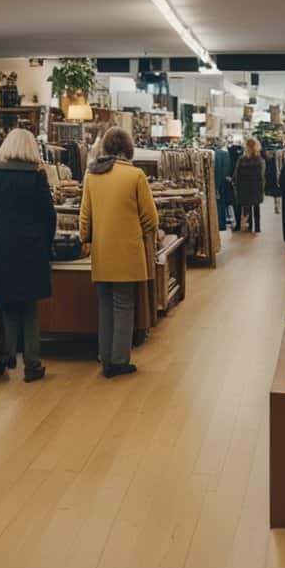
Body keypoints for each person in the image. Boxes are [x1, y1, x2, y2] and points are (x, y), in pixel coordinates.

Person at [0, 128, 56, 382]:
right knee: (29, 306)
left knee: (6, 303)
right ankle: (32, 364)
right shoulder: (37, 177)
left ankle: (6, 356)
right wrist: (47, 243)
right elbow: (48, 216)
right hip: (31, 246)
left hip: (1, 244)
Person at [79, 127, 158, 379]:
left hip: (102, 252)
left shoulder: (92, 176)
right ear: (128, 148)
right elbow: (150, 218)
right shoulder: (135, 175)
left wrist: (86, 240)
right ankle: (119, 360)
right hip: (127, 251)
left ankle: (105, 357)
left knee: (104, 305)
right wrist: (144, 235)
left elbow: (85, 218)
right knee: (124, 305)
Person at [232, 137, 265, 233]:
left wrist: (235, 183)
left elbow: (236, 173)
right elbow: (262, 174)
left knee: (245, 205)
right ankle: (257, 227)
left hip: (243, 186)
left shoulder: (242, 159)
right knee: (255, 206)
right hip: (255, 186)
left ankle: (245, 226)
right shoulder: (259, 159)